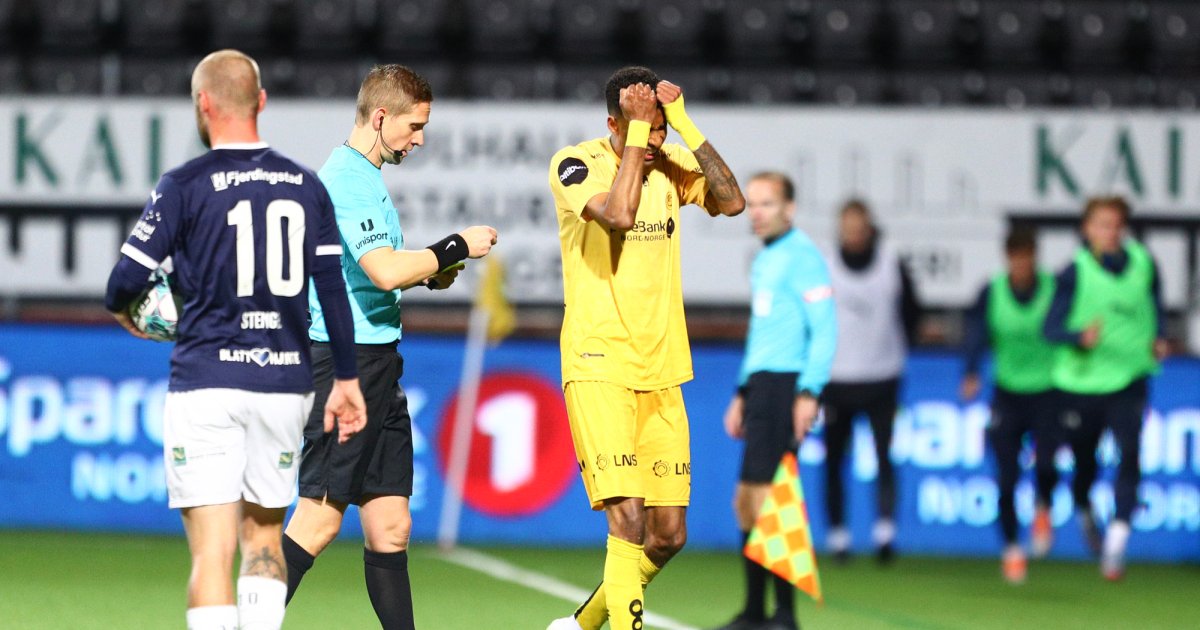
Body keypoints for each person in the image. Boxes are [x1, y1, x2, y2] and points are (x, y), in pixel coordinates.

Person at [104, 49, 367, 630]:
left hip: (206, 382)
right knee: (265, 539)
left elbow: (122, 282)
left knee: (212, 553)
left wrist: (133, 312)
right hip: (284, 383)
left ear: (203, 104)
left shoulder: (184, 185)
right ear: (262, 103)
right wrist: (346, 379)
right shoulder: (305, 186)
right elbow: (332, 291)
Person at [279, 64, 497, 629]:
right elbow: (380, 272)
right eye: (415, 126)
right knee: (318, 521)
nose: (420, 139)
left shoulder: (365, 177)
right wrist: (456, 247)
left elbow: (374, 272)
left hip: (379, 365)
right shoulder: (347, 181)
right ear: (380, 117)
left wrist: (427, 271)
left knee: (391, 525)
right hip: (343, 368)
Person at [545, 66, 745, 630]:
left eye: (660, 129)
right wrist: (639, 136)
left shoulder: (668, 162)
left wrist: (682, 122)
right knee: (627, 522)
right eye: (644, 129)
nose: (656, 140)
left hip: (661, 368)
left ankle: (580, 626)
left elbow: (731, 202)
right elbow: (618, 214)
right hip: (599, 363)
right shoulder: (573, 163)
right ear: (615, 122)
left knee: (667, 534)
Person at [714, 172, 837, 630]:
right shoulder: (767, 259)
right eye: (755, 203)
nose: (757, 212)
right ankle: (755, 611)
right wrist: (742, 392)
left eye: (768, 203)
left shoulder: (803, 257)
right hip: (763, 386)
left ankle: (782, 614)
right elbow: (762, 334)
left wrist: (809, 392)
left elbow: (824, 329)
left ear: (790, 208)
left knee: (769, 498)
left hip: (789, 385)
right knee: (748, 500)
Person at [1044, 196, 1167, 581]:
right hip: (1082, 382)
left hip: (1129, 377)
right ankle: (1084, 510)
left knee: (1129, 452)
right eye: (1101, 224)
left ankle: (1116, 543)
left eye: (1115, 225)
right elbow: (1050, 329)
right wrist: (1079, 336)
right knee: (1085, 463)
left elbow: (1155, 306)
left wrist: (1159, 336)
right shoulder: (1073, 273)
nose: (1109, 232)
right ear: (1087, 229)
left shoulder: (1145, 263)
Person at [821, 199, 921, 563]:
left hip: (882, 377)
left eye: (860, 228)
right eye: (847, 228)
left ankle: (884, 533)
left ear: (870, 229)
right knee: (835, 460)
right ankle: (838, 535)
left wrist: (897, 349)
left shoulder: (891, 264)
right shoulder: (826, 265)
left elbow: (912, 312)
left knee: (883, 456)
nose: (854, 235)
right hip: (836, 378)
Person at [959, 225, 1059, 584]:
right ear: (1008, 259)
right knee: (1006, 477)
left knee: (1047, 465)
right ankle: (1013, 549)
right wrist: (971, 371)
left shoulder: (1053, 289)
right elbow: (976, 334)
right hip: (1008, 393)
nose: (1021, 264)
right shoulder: (993, 292)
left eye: (1027, 256)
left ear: (1034, 257)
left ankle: (1043, 507)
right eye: (1015, 257)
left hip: (1049, 391)